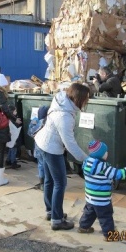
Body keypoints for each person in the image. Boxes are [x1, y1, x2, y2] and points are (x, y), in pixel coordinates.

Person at [34, 83, 89, 231]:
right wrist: (86, 158)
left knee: (49, 180)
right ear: (79, 98)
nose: (86, 102)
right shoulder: (65, 116)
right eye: (86, 99)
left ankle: (51, 211)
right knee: (60, 183)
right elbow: (70, 143)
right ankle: (57, 220)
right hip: (51, 148)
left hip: (42, 142)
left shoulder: (62, 103)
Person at [78, 140, 126, 241]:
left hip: (90, 197)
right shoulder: (104, 167)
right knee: (106, 217)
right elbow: (118, 174)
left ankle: (83, 227)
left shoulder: (86, 162)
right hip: (102, 199)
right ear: (100, 155)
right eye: (105, 152)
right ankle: (109, 235)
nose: (107, 153)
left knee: (89, 212)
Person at [28, 105, 49, 191]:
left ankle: (42, 184)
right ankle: (48, 183)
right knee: (47, 165)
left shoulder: (35, 121)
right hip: (47, 147)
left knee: (40, 165)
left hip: (37, 147)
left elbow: (29, 132)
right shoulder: (47, 122)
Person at [5, 104, 22, 169]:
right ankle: (13, 162)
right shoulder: (13, 120)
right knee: (13, 150)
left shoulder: (8, 119)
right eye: (15, 111)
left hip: (10, 139)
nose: (16, 112)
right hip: (14, 138)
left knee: (10, 149)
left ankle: (8, 160)